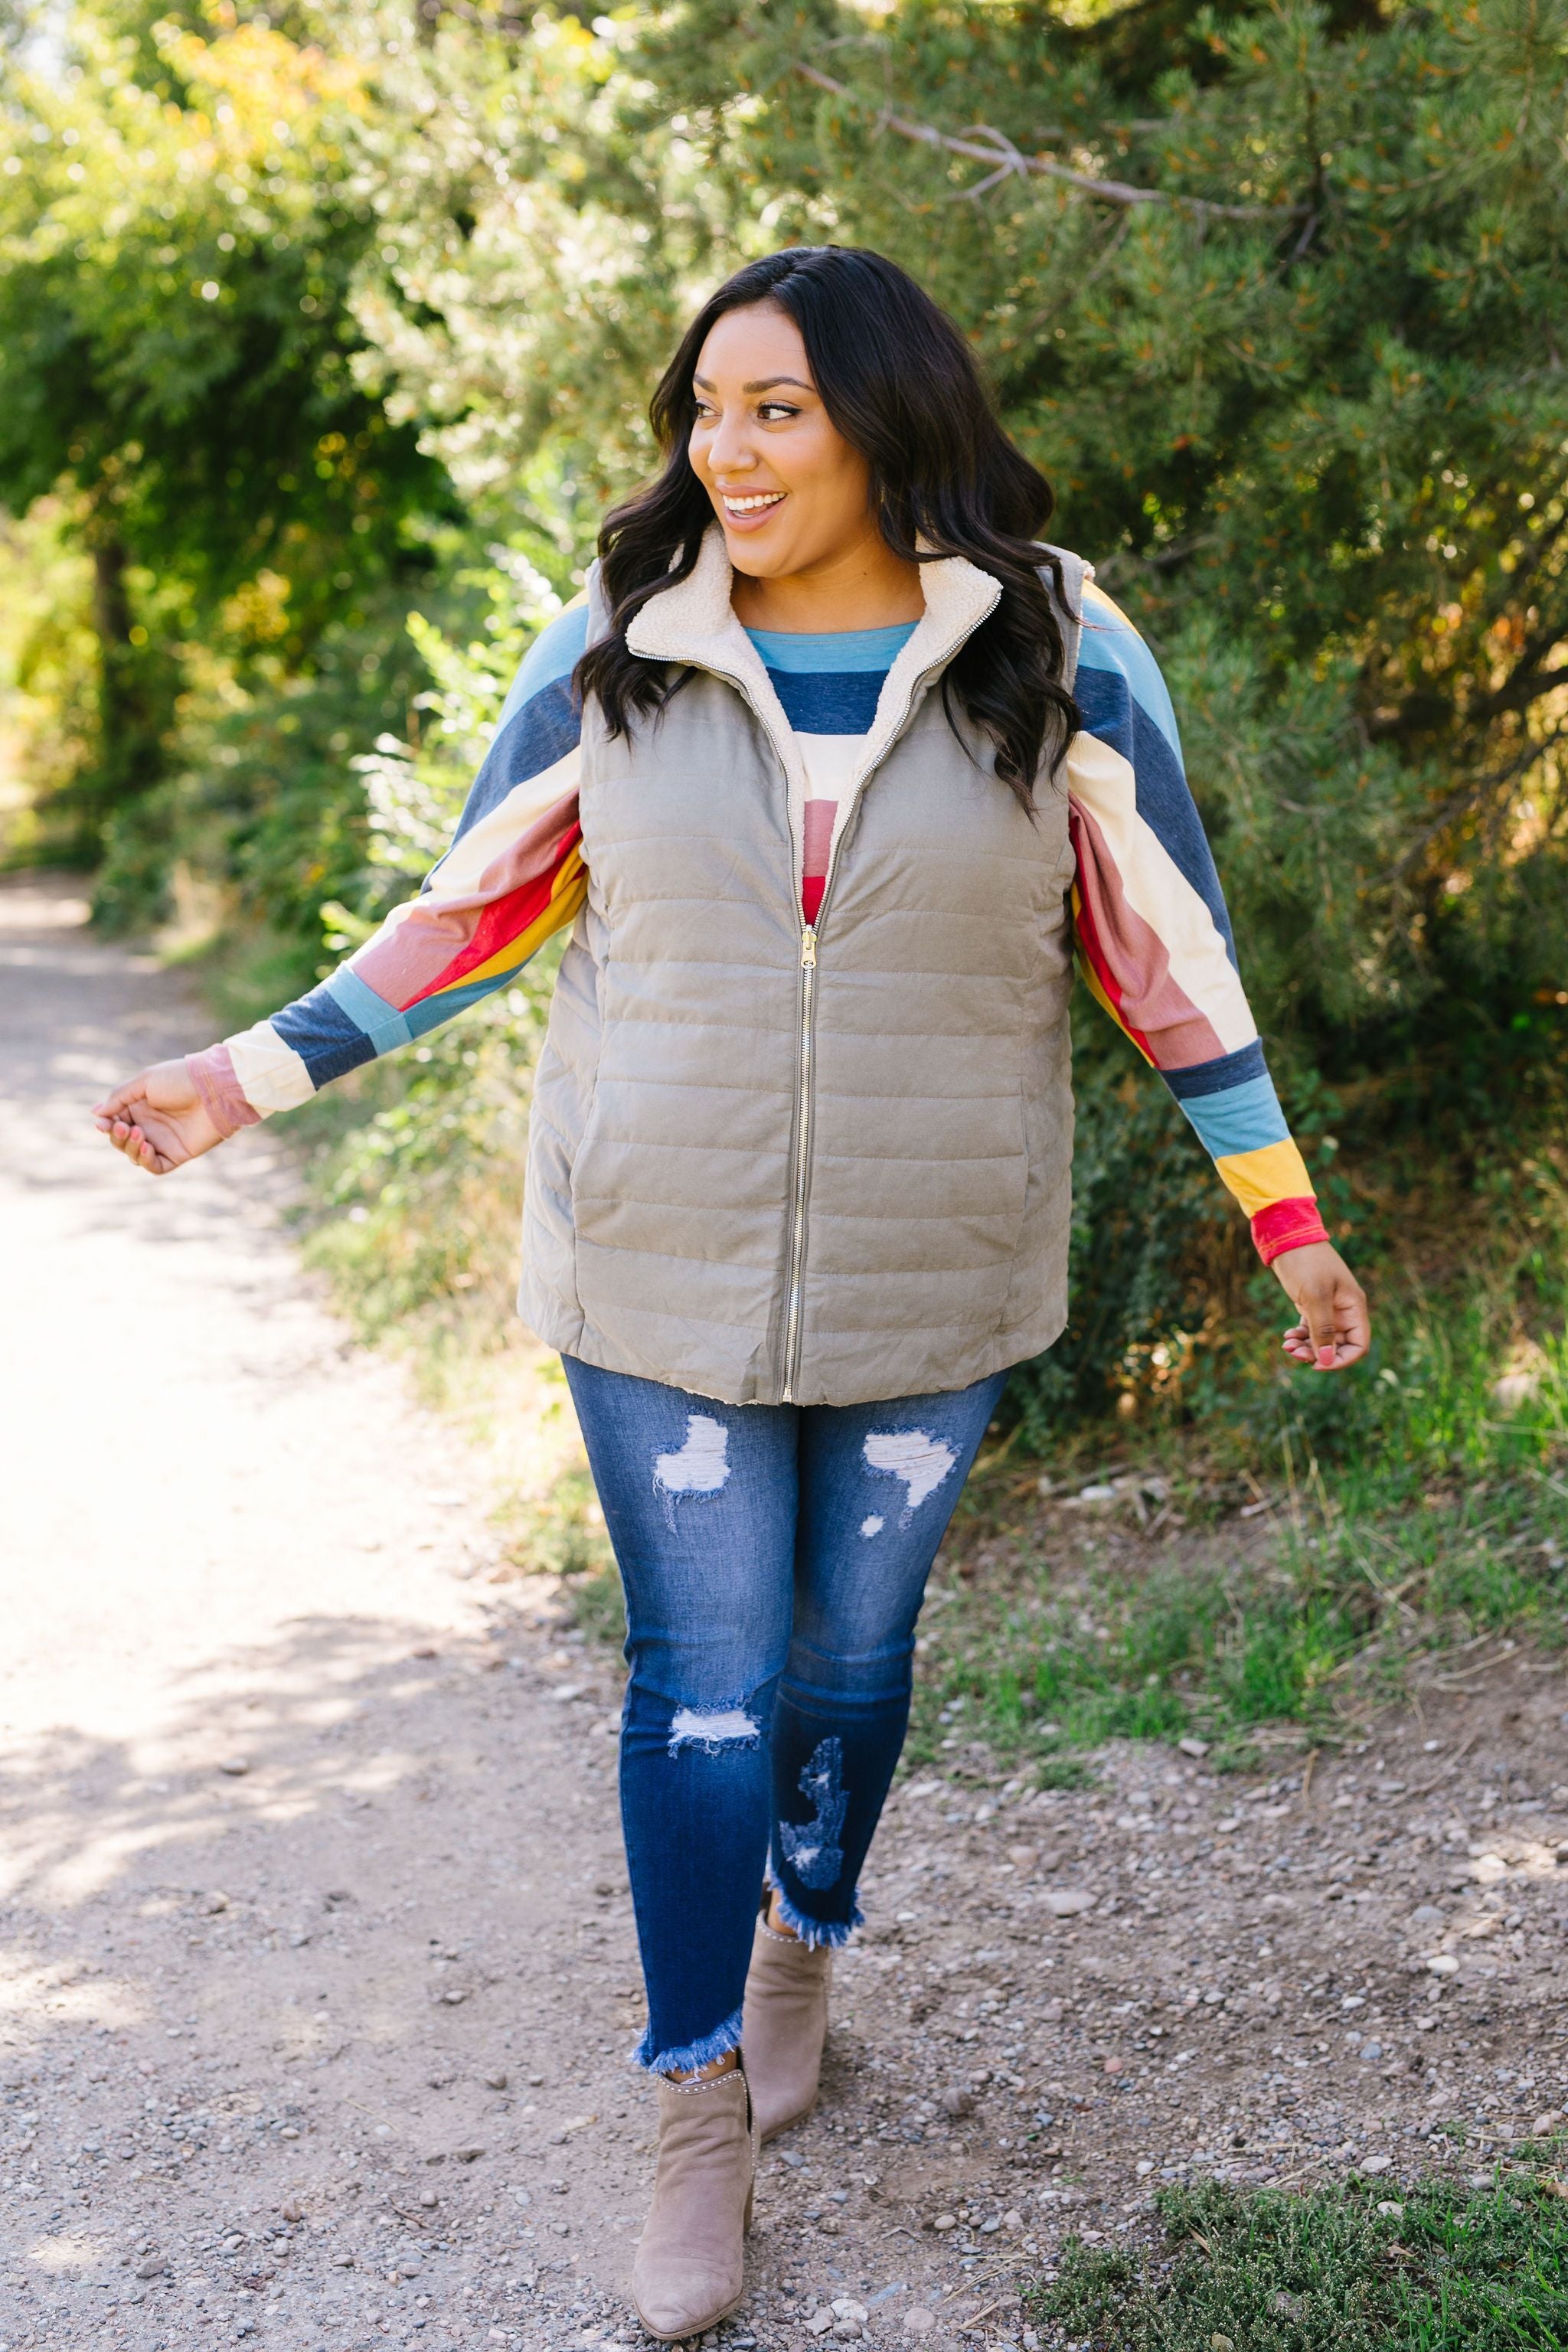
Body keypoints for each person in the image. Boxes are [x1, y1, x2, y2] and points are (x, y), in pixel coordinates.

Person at [95, 245, 1370, 2340]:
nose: (730, 447)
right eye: (708, 407)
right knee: (704, 1683)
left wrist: (1283, 1216)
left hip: (933, 1260)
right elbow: (467, 911)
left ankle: (807, 1936)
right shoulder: (626, 636)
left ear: (886, 416)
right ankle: (693, 2117)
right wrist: (245, 1077)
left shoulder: (1053, 642)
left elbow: (1168, 951)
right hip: (656, 1259)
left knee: (852, 1675)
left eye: (776, 407)